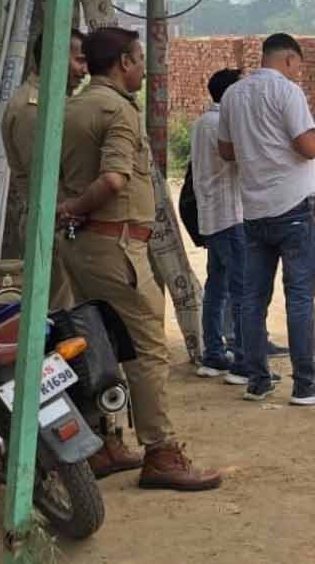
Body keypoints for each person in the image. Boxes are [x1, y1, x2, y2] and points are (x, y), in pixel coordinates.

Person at [56, 26, 222, 491]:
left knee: (93, 344)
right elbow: (113, 179)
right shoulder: (118, 110)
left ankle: (102, 441)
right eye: (140, 59)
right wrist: (76, 207)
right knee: (147, 349)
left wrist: (70, 211)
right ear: (123, 63)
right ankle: (161, 452)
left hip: (83, 246)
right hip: (117, 246)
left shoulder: (71, 108)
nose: (145, 70)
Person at [217, 33, 315, 405]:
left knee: (252, 299)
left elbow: (226, 151)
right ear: (289, 59)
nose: (298, 72)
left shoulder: (233, 95)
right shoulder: (287, 92)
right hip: (294, 205)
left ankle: (257, 379)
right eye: (298, 65)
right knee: (299, 297)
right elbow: (307, 148)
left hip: (254, 209)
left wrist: (257, 146)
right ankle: (305, 384)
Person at [3, 30, 88, 261]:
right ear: (56, 57)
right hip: (52, 222)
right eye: (80, 60)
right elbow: (44, 175)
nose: (85, 70)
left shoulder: (55, 100)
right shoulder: (33, 108)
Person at [191, 69, 249, 378]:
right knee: (241, 289)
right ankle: (243, 359)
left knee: (217, 286)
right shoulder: (220, 125)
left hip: (212, 216)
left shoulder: (203, 122)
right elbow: (242, 159)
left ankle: (213, 354)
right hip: (229, 215)